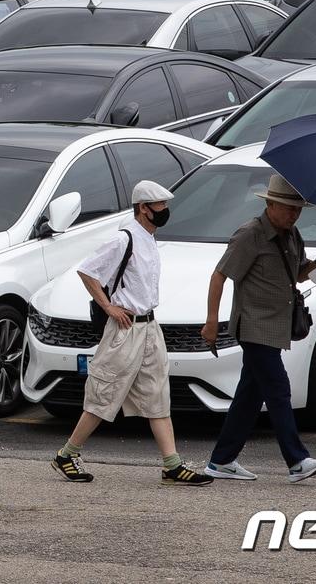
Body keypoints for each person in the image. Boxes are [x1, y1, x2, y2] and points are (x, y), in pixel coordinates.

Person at [51, 180, 212, 486]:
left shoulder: (150, 239)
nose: (165, 211)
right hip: (125, 329)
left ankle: (172, 465)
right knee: (104, 393)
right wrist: (109, 306)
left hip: (150, 327)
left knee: (157, 393)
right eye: (160, 206)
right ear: (143, 208)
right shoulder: (125, 239)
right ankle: (67, 454)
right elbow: (88, 271)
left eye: (166, 205)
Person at [201, 174, 316, 484]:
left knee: (249, 396)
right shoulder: (249, 235)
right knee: (278, 390)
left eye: (298, 209)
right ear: (270, 204)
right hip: (253, 326)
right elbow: (219, 276)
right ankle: (296, 460)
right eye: (288, 208)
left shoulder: (292, 235)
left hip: (275, 327)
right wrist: (211, 322)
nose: (294, 214)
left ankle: (221, 461)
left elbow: (301, 274)